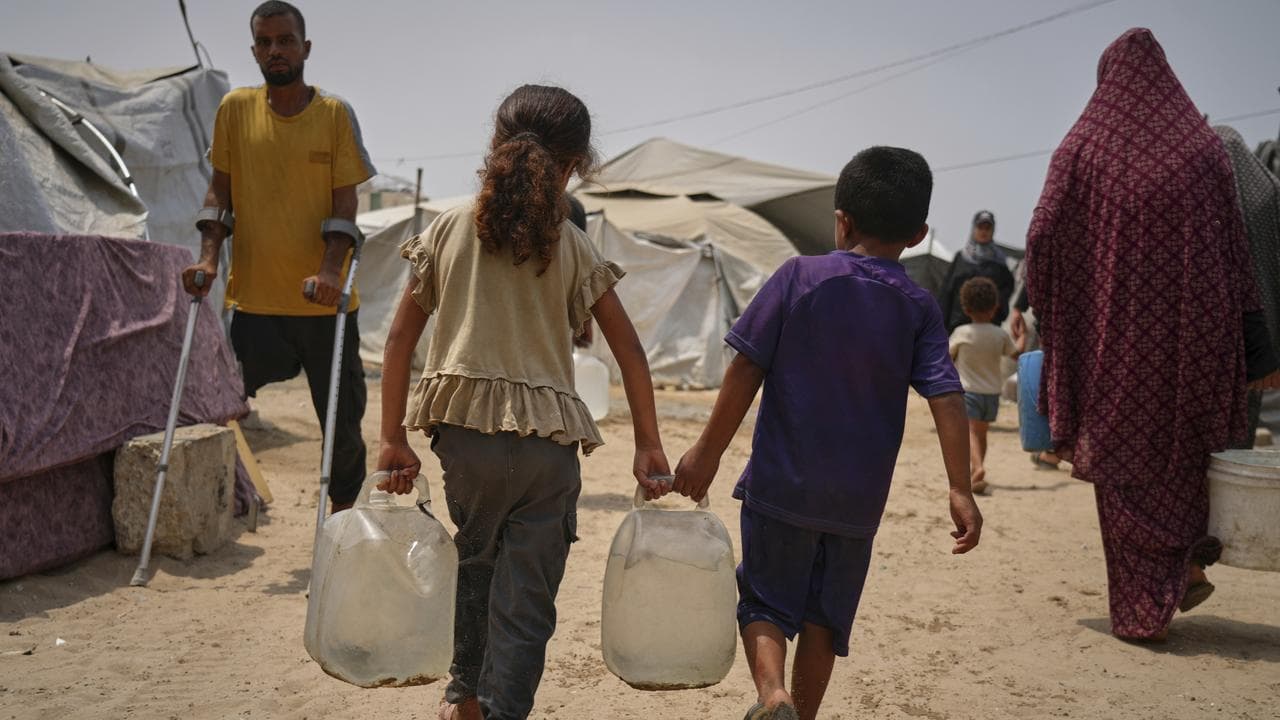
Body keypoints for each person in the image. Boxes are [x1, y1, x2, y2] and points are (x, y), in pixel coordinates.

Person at [375, 85, 670, 720]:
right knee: (528, 598)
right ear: (572, 167)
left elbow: (400, 339)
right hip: (547, 451)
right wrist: (648, 443)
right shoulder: (573, 243)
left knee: (474, 568)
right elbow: (630, 351)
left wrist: (392, 438)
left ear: (493, 148)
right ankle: (507, 710)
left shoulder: (448, 229)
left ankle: (465, 699)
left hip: (467, 440)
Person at [672, 146, 982, 720]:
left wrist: (706, 453)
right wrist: (959, 486)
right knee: (824, 619)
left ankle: (774, 696)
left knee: (763, 599)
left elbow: (746, 367)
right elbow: (946, 395)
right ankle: (802, 715)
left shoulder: (798, 277)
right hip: (857, 502)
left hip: (781, 485)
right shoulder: (918, 306)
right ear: (918, 234)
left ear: (842, 220)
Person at [1025, 28, 1280, 642]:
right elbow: (1240, 259)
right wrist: (1256, 344)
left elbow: (1039, 238)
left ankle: (1144, 607)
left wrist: (1062, 309)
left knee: (1123, 466)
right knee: (1186, 460)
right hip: (1196, 346)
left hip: (1114, 349)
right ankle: (1184, 565)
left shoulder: (1082, 148)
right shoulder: (1204, 150)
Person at [182, 0, 375, 512]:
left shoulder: (333, 114)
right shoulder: (234, 110)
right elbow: (218, 194)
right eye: (265, 42)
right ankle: (224, 499)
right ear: (254, 51)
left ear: (305, 47)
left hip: (323, 305)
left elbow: (345, 204)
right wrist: (206, 259)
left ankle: (342, 520)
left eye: (285, 40)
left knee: (342, 421)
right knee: (217, 402)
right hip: (256, 303)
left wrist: (331, 270)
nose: (275, 50)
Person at [1214, 125, 1280, 447]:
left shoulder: (1206, 200)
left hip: (1210, 343)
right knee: (1240, 441)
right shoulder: (1269, 195)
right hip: (1260, 345)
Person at [950, 277, 1026, 494]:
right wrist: (1023, 336)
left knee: (970, 433)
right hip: (992, 393)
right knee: (981, 434)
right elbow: (1016, 354)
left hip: (969, 391)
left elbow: (947, 357)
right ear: (995, 308)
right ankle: (976, 475)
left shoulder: (962, 332)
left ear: (965, 308)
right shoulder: (1000, 334)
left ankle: (978, 468)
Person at [938, 210, 1015, 333]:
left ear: (993, 230)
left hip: (989, 328)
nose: (984, 231)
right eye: (980, 227)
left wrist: (994, 308)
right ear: (974, 228)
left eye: (988, 227)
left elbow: (1006, 290)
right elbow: (947, 292)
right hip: (958, 326)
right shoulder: (961, 258)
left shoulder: (999, 263)